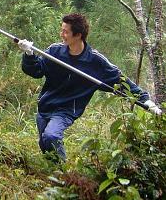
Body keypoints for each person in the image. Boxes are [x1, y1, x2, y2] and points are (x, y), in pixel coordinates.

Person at [17, 13, 162, 162]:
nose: (62, 34)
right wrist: (29, 54)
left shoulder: (95, 61)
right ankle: (57, 175)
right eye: (62, 30)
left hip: (67, 110)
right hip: (46, 105)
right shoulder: (55, 51)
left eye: (66, 31)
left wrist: (146, 101)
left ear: (78, 35)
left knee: (51, 136)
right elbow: (36, 71)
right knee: (46, 145)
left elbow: (121, 81)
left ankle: (66, 177)